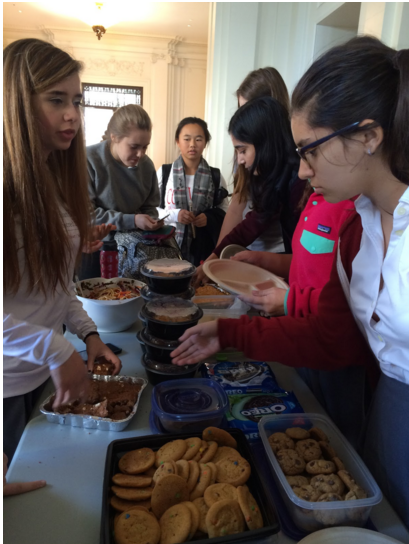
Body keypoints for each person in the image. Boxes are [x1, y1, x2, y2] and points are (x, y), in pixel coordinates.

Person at [172, 36, 409, 527]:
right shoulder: (356, 227)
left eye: (311, 150)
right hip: (390, 410)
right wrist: (229, 332)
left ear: (368, 136)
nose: (301, 169)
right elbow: (332, 337)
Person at [3, 38, 121, 463]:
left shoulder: (49, 181)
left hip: (44, 375)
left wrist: (88, 335)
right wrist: (57, 348)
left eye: (76, 100)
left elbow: (55, 286)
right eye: (56, 100)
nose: (72, 114)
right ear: (17, 101)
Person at [194, 96, 305, 287]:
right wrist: (213, 258)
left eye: (243, 150)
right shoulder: (276, 178)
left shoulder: (300, 183)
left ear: (264, 143)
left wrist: (260, 260)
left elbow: (308, 261)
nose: (240, 160)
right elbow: (252, 223)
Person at [79, 104, 164, 279]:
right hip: (94, 247)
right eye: (134, 146)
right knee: (94, 302)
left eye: (145, 147)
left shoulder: (146, 166)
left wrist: (151, 221)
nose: (140, 154)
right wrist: (133, 220)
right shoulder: (88, 159)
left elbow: (150, 207)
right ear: (114, 138)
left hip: (135, 251)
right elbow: (87, 215)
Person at [156, 117, 229, 265]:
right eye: (187, 139)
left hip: (203, 249)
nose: (192, 145)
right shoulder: (164, 173)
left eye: (198, 139)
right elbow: (151, 210)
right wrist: (176, 215)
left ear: (205, 143)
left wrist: (208, 219)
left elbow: (225, 211)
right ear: (178, 141)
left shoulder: (215, 176)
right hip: (167, 245)